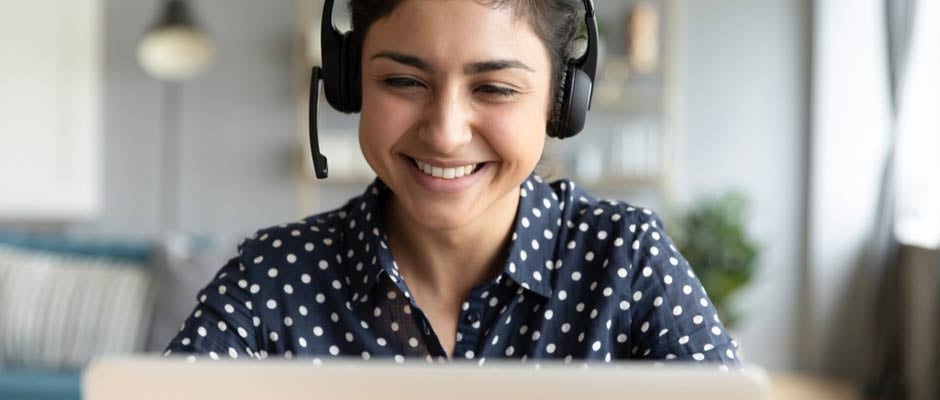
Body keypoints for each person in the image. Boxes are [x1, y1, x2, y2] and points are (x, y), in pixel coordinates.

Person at [165, 0, 740, 366]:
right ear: (349, 85)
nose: (443, 133)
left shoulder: (626, 259)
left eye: (494, 89)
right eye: (402, 80)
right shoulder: (276, 274)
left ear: (561, 103)